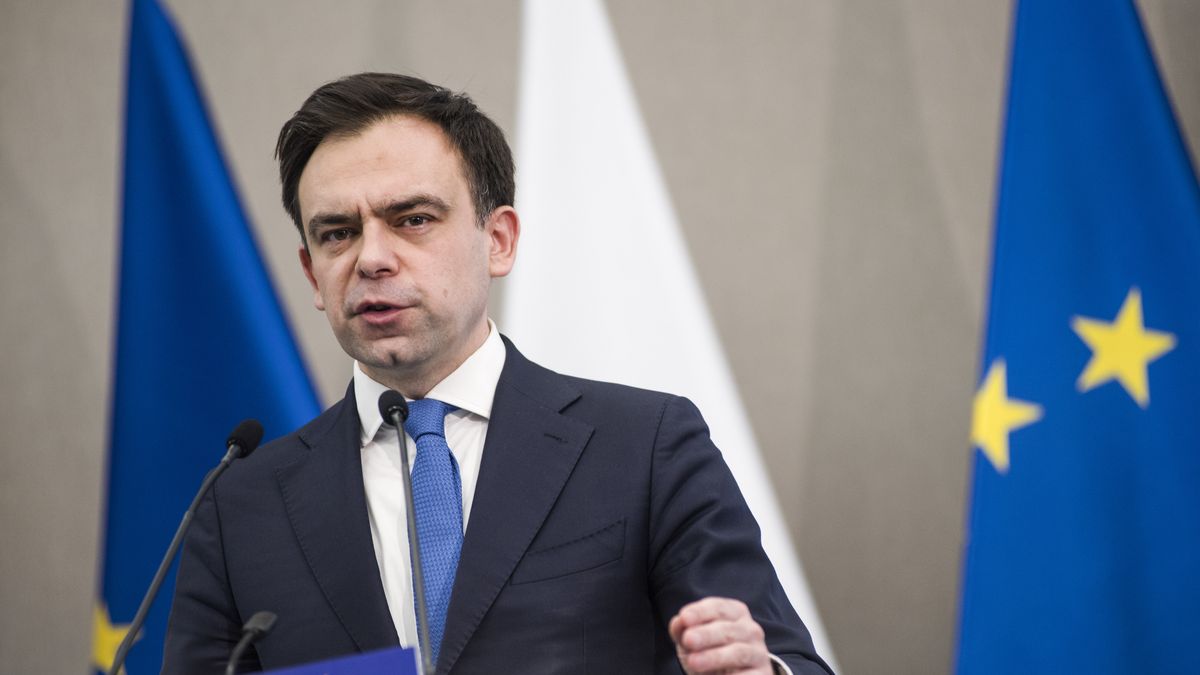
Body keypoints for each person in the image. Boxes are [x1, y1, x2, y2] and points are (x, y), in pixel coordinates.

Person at [163, 72, 832, 675]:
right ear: (312, 272)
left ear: (500, 240)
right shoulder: (239, 507)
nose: (371, 258)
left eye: (412, 219)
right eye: (337, 232)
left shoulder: (645, 447)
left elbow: (792, 660)